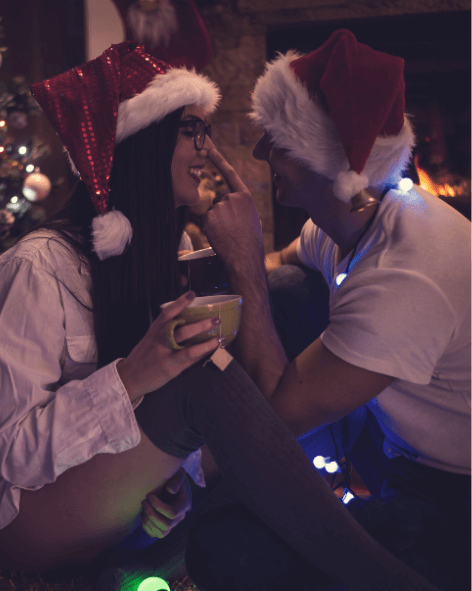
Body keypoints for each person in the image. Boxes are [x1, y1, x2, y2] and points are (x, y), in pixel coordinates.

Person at [0, 41, 440, 591]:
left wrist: (173, 481)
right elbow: (9, 457)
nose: (206, 148)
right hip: (27, 519)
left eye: (204, 131)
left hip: (108, 508)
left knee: (262, 324)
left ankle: (141, 569)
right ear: (142, 142)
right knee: (202, 380)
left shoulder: (168, 254)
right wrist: (130, 378)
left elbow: (151, 432)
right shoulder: (38, 267)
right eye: (191, 130)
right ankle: (386, 580)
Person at [189, 29, 471, 591]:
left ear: (330, 162)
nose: (260, 153)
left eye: (277, 142)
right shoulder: (352, 221)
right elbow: (279, 263)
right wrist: (228, 262)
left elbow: (274, 417)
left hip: (453, 500)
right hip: (395, 449)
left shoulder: (404, 272)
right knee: (290, 288)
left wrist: (243, 260)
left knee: (225, 547)